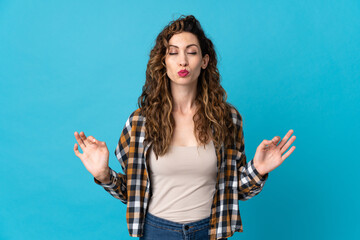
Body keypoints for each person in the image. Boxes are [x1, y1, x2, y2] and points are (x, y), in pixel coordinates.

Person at [73, 15, 296, 240]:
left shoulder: (227, 119)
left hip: (210, 232)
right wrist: (103, 175)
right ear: (164, 61)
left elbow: (234, 191)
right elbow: (133, 193)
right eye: (173, 52)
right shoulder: (140, 123)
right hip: (157, 232)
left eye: (191, 52)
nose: (183, 61)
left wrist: (258, 169)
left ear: (204, 61)